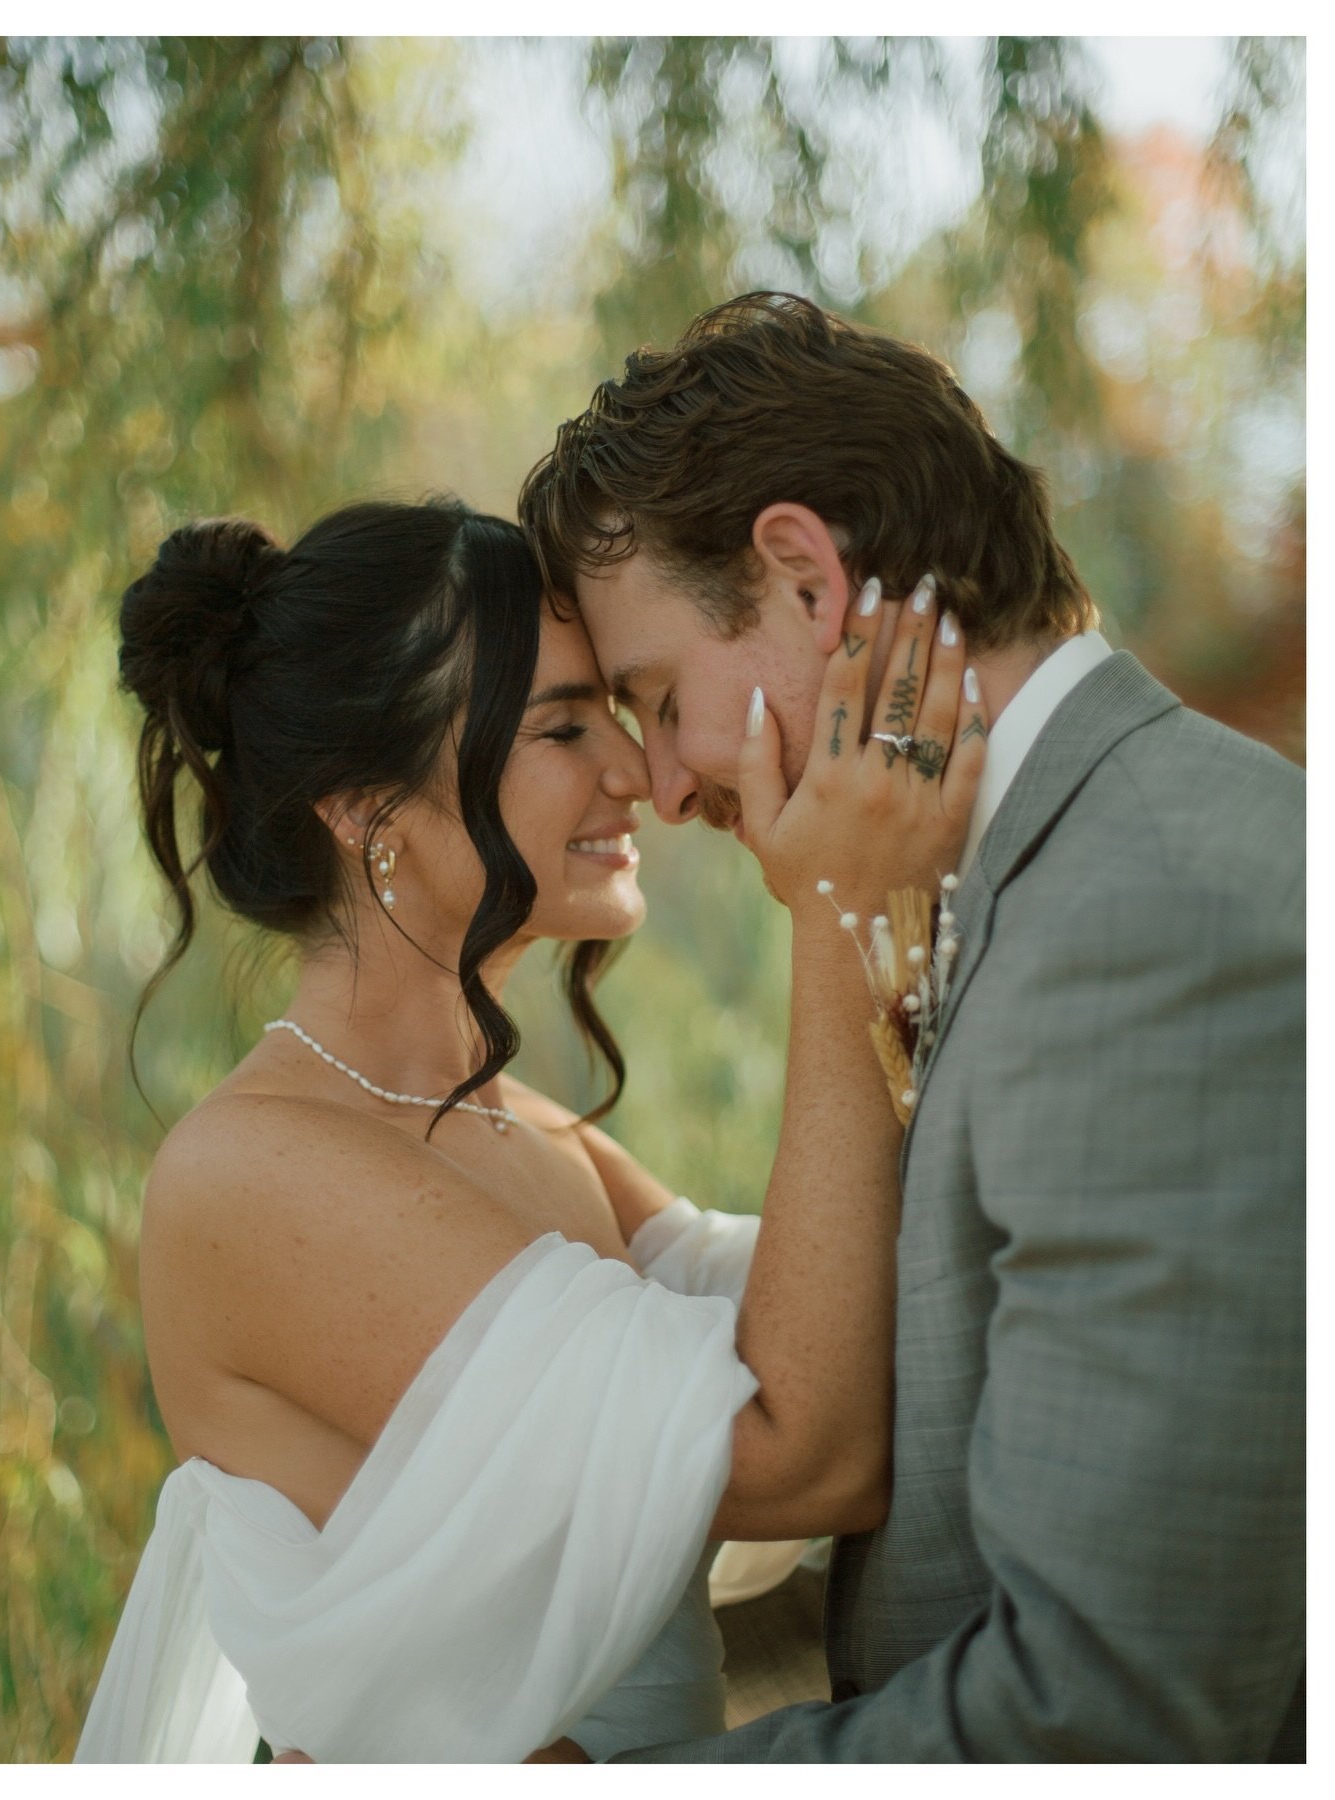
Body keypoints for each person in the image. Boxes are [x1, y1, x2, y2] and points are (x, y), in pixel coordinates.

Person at [517, 291, 1306, 1762]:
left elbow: (1114, 1716)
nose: (668, 790)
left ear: (806, 581)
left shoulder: (1153, 922)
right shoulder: (1044, 880)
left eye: (658, 696)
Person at [74, 497, 985, 1761]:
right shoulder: (249, 1173)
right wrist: (837, 916)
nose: (634, 771)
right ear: (364, 808)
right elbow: (802, 1458)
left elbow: (863, 1318)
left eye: (617, 709)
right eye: (564, 725)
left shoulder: (543, 1138)